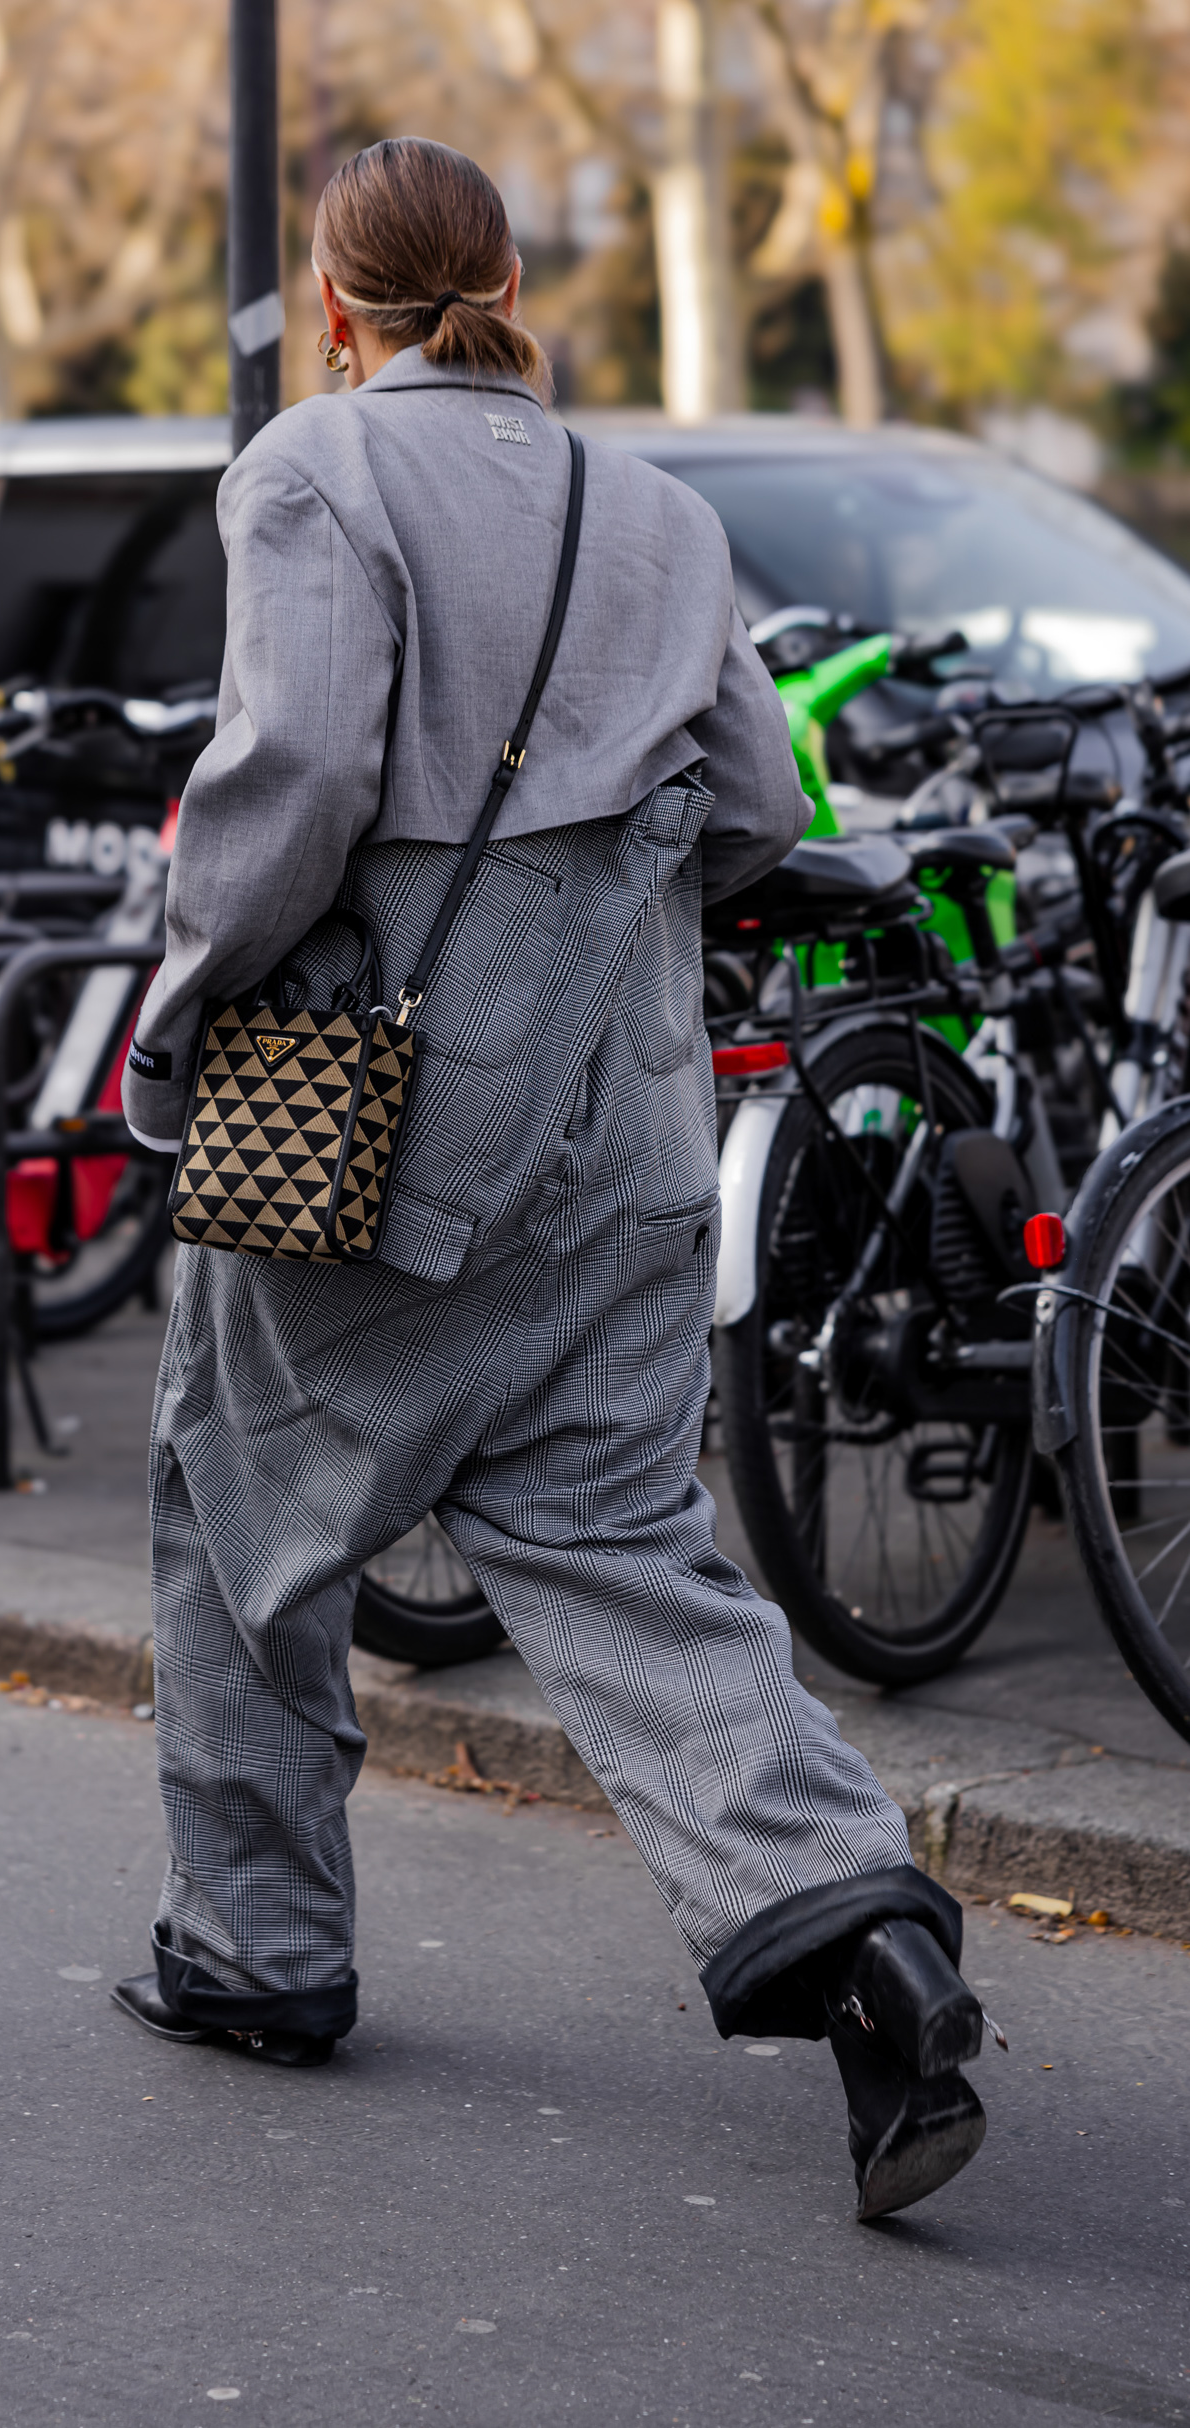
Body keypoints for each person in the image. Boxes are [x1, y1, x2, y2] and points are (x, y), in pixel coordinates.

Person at [112, 135, 991, 2222]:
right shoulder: (660, 511)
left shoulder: (313, 472)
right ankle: (855, 1922)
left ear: (338, 308)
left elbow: (302, 774)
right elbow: (765, 794)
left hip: (384, 1109)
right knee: (613, 1538)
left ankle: (259, 1949)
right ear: (514, 283)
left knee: (241, 1502)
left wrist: (180, 1002)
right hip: (639, 1112)